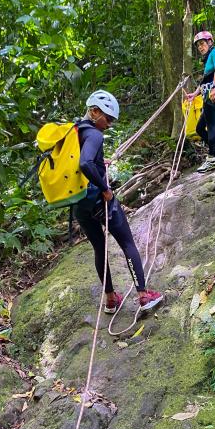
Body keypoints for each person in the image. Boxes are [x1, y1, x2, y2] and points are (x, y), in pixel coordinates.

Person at [74, 90, 163, 313]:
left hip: (79, 203)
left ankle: (111, 299)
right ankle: (144, 296)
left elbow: (80, 160)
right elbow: (85, 163)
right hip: (97, 199)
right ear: (94, 111)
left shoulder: (76, 131)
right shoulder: (94, 134)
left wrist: (97, 161)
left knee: (99, 248)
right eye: (107, 118)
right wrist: (106, 190)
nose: (109, 124)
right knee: (127, 243)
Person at [186, 31, 215, 173]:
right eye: (198, 45)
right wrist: (194, 94)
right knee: (199, 128)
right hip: (208, 94)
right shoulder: (208, 58)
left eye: (202, 43)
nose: (200, 47)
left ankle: (211, 158)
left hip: (214, 93)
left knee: (211, 125)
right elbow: (205, 81)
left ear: (210, 42)